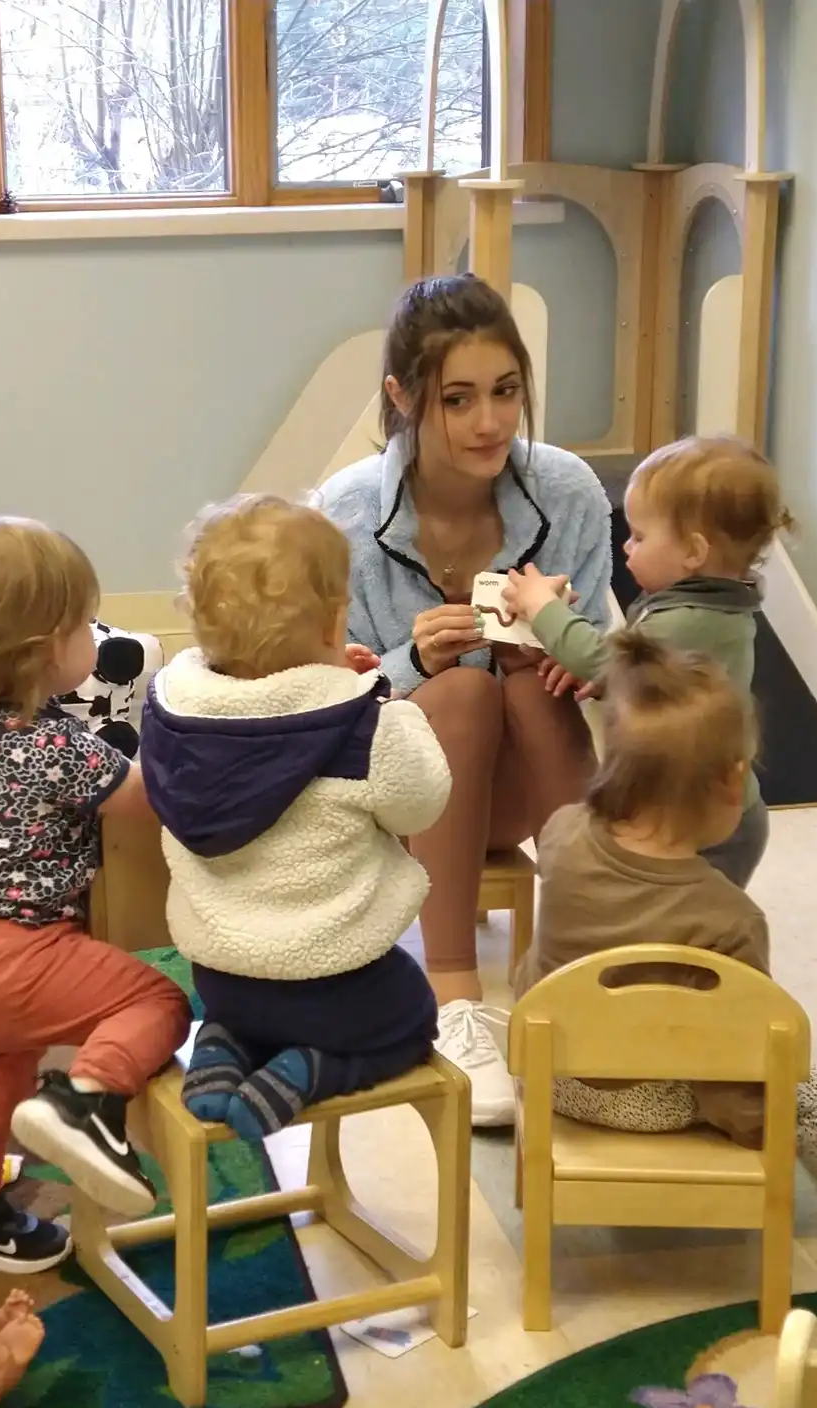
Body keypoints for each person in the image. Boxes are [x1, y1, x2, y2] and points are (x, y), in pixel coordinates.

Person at [516, 632, 817, 1257]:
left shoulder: (559, 834)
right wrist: (755, 1126)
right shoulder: (727, 917)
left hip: (549, 1072)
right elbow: (735, 1060)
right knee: (800, 1076)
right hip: (646, 1101)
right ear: (731, 782)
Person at [315, 273, 612, 1127]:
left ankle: (596, 963)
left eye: (507, 392)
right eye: (459, 398)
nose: (491, 423)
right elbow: (324, 698)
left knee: (521, 676)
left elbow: (602, 655)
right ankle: (452, 1001)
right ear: (402, 397)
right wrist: (412, 659)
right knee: (461, 696)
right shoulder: (344, 513)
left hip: (528, 780)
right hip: (395, 790)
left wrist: (573, 660)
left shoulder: (568, 494)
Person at [0, 518, 192, 1273]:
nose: (97, 641)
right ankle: (87, 1102)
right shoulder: (55, 745)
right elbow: (149, 800)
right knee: (160, 1004)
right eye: (84, 627)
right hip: (23, 952)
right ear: (45, 649)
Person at [142, 496, 451, 1138]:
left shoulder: (173, 713)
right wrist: (389, 705)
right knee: (414, 1015)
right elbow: (423, 801)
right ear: (336, 622)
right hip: (333, 984)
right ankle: (311, 1072)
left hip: (222, 979)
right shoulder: (363, 726)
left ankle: (223, 1047)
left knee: (248, 1011)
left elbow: (266, 716)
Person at [501, 434, 791, 889]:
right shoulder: (695, 608)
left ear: (693, 552)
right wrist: (600, 675)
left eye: (639, 535)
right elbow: (641, 670)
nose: (628, 547)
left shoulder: (693, 620)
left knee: (684, 928)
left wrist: (542, 608)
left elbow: (604, 659)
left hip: (708, 824)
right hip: (688, 807)